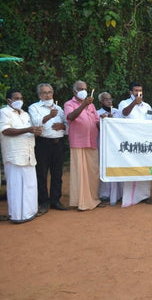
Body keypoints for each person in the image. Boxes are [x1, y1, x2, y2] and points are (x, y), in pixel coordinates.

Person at [0, 89, 42, 222]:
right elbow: (5, 131)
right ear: (9, 100)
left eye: (21, 98)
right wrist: (28, 130)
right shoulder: (4, 112)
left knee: (30, 185)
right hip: (14, 154)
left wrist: (34, 132)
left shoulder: (25, 114)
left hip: (28, 154)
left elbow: (28, 130)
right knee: (16, 186)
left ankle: (30, 212)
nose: (19, 100)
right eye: (16, 98)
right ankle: (17, 215)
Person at [28, 83, 68, 215]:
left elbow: (67, 125)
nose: (47, 95)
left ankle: (55, 200)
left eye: (49, 92)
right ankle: (43, 202)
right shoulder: (34, 107)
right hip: (43, 144)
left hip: (58, 143)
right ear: (39, 95)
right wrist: (49, 116)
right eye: (44, 92)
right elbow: (36, 123)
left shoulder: (58, 108)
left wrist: (62, 126)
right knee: (42, 174)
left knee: (57, 174)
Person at [64, 80, 101, 211]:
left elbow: (97, 121)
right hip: (78, 142)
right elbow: (70, 117)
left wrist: (107, 121)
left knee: (93, 171)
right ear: (74, 91)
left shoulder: (92, 106)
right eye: (80, 89)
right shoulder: (69, 104)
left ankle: (93, 198)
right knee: (80, 173)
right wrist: (83, 105)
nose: (83, 91)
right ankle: (80, 201)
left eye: (85, 88)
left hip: (92, 141)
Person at [118, 82, 152, 206]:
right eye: (135, 90)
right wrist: (134, 103)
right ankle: (128, 197)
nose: (138, 92)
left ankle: (144, 196)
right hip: (130, 142)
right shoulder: (124, 103)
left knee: (144, 167)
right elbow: (124, 114)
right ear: (130, 92)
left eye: (140, 90)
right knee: (131, 168)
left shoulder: (147, 106)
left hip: (144, 142)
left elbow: (150, 122)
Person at [97, 92, 123, 205]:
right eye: (105, 99)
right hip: (103, 143)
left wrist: (114, 121)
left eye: (110, 98)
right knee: (104, 166)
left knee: (117, 166)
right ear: (101, 102)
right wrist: (103, 120)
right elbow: (96, 127)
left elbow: (123, 127)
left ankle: (118, 194)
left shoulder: (117, 112)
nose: (109, 101)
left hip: (116, 145)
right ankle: (104, 194)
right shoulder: (97, 113)